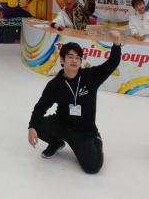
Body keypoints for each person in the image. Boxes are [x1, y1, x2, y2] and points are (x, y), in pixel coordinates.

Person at [27, 31, 122, 174]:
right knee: (37, 125)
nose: (74, 60)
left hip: (84, 131)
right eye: (70, 57)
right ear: (62, 60)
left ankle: (96, 139)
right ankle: (56, 142)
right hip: (62, 125)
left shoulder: (91, 77)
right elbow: (41, 106)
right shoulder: (54, 85)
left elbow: (112, 63)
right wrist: (32, 126)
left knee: (92, 167)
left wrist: (116, 43)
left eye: (78, 58)